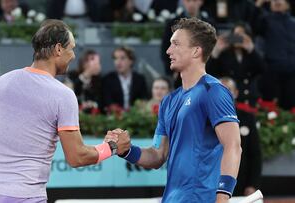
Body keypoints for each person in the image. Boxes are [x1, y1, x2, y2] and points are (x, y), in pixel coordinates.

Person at [0, 19, 130, 203]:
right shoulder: (63, 95)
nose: (73, 56)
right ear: (59, 49)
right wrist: (113, 147)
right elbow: (77, 157)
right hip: (24, 196)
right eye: (72, 48)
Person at [107, 18, 242, 203]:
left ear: (196, 51)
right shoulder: (168, 101)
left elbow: (233, 146)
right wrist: (126, 150)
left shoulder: (214, 91)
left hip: (202, 198)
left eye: (176, 44)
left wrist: (222, 198)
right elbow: (157, 155)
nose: (168, 50)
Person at [220, 77, 262, 197]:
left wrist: (252, 184)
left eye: (228, 89)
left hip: (240, 184)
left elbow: (255, 154)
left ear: (236, 93)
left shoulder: (247, 118)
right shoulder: (205, 119)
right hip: (211, 185)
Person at [207, 22, 265, 107]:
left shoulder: (251, 54)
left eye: (241, 35)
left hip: (248, 99)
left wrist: (251, 50)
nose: (237, 38)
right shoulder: (225, 54)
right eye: (235, 35)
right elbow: (210, 72)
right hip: (230, 99)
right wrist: (216, 51)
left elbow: (262, 69)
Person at [252, 0, 295, 110]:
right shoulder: (265, 20)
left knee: (290, 104)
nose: (276, 1)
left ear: (288, 5)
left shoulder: (293, 22)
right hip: (272, 69)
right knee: (270, 104)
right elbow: (253, 26)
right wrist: (258, 5)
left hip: (292, 71)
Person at [102, 46, 148, 110]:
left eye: (122, 58)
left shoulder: (140, 79)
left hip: (136, 116)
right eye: (115, 58)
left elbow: (144, 100)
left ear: (131, 60)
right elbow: (107, 102)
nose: (118, 62)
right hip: (114, 117)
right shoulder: (107, 79)